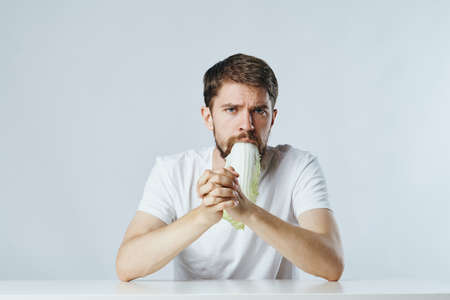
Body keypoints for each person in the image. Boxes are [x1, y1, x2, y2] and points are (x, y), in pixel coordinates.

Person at [115, 53, 344, 282]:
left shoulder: (298, 167)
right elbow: (127, 265)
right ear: (208, 118)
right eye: (231, 110)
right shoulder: (173, 171)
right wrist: (205, 214)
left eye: (259, 111)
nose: (247, 125)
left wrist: (248, 212)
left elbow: (332, 264)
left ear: (272, 119)